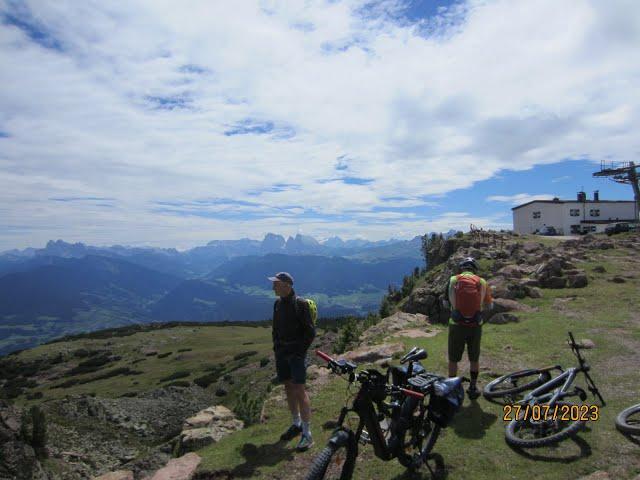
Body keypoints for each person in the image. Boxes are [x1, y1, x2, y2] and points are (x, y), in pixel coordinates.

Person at [269, 271, 316, 451]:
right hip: (282, 352)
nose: (273, 286)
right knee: (288, 387)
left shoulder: (301, 304)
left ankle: (307, 433)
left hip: (295, 354)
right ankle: (296, 424)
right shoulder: (277, 304)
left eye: (276, 284)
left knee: (299, 390)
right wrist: (277, 348)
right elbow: (275, 329)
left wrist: (299, 352)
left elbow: (310, 333)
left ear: (287, 285)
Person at [446, 257, 493, 400]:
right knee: (474, 358)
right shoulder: (482, 282)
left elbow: (444, 301)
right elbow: (489, 305)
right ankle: (473, 386)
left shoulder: (453, 280)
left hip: (456, 325)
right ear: (474, 269)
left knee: (453, 358)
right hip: (475, 326)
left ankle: (451, 387)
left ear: (462, 269)